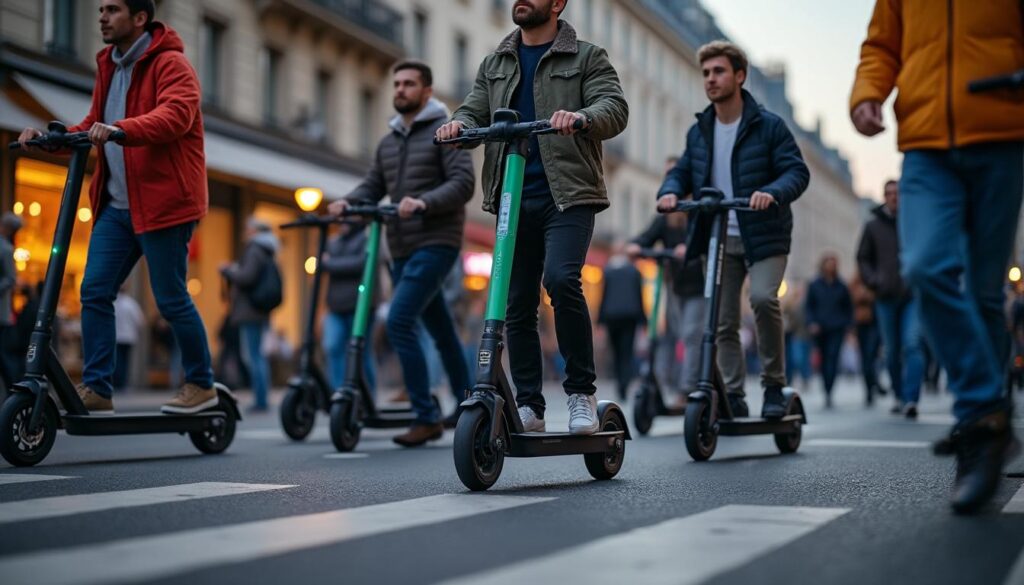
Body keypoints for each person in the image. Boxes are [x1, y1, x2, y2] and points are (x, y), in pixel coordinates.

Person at [851, 0, 1024, 513]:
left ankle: (988, 424)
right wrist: (867, 94)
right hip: (926, 144)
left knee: (986, 294)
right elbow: (882, 44)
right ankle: (981, 417)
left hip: (1001, 132)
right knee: (924, 265)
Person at [436, 0, 628, 434]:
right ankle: (529, 404)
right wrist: (457, 126)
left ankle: (580, 391)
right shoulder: (496, 62)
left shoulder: (586, 56)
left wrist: (581, 117)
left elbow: (613, 108)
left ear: (557, 4)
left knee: (561, 279)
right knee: (515, 301)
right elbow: (473, 109)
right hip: (511, 194)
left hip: (568, 195)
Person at [18, 0, 215, 415]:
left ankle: (202, 384)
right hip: (118, 205)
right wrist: (48, 139)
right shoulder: (109, 63)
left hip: (166, 205)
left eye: (112, 9)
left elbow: (176, 115)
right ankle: (98, 387)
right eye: (101, 9)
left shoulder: (171, 63)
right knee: (94, 291)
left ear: (140, 18)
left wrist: (122, 130)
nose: (101, 16)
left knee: (170, 298)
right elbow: (94, 121)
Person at [657, 40, 809, 419]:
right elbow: (682, 171)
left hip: (765, 234)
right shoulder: (700, 130)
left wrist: (771, 192)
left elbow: (797, 172)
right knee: (721, 320)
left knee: (761, 299)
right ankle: (734, 395)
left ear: (739, 76)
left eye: (719, 71)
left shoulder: (769, 126)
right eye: (706, 73)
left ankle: (774, 386)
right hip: (720, 234)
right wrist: (670, 192)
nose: (711, 79)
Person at [330, 60, 475, 447]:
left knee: (398, 322)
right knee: (442, 331)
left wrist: (423, 202)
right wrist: (349, 202)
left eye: (408, 84)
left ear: (427, 91)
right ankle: (470, 401)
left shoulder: (445, 132)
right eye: (396, 83)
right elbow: (373, 184)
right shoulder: (389, 141)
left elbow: (463, 184)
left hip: (436, 242)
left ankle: (425, 416)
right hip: (400, 248)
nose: (399, 90)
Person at [627, 195, 704, 405]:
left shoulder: (698, 215)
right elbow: (646, 237)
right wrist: (635, 245)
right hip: (675, 286)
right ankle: (658, 382)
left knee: (690, 335)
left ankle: (687, 389)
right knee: (668, 335)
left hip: (700, 286)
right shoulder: (665, 219)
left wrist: (692, 249)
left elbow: (708, 242)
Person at [857, 180, 923, 418]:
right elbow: (862, 258)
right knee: (892, 350)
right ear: (884, 197)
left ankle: (912, 398)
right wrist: (874, 280)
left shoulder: (914, 222)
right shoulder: (873, 226)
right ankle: (898, 394)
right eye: (889, 193)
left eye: (898, 193)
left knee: (912, 344)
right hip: (885, 297)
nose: (894, 197)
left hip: (912, 294)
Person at [221, 218, 280, 412]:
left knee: (254, 356)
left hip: (250, 311)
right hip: (258, 310)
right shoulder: (266, 250)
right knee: (257, 355)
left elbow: (246, 277)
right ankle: (261, 397)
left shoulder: (255, 250)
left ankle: (261, 399)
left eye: (248, 229)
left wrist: (229, 270)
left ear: (255, 231)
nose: (245, 232)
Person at [321, 222, 380, 392]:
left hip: (361, 307)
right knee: (333, 347)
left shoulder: (367, 238)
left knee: (361, 354)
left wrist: (330, 263)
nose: (342, 222)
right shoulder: (333, 241)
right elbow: (320, 262)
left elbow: (361, 263)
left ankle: (369, 397)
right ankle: (340, 393)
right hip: (335, 306)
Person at [597, 242, 645, 400]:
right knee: (626, 351)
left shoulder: (608, 271)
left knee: (616, 352)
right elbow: (639, 297)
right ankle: (624, 383)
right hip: (630, 316)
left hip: (612, 316)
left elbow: (603, 296)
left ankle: (620, 384)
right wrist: (642, 319)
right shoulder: (634, 271)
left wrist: (600, 319)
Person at [805, 254, 853, 409]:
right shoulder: (815, 285)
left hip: (837, 328)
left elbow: (848, 308)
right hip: (820, 328)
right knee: (824, 359)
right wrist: (812, 323)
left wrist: (848, 325)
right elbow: (809, 307)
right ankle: (826, 387)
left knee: (833, 357)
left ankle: (829, 389)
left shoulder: (842, 286)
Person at [848, 272, 884, 407]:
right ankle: (870, 387)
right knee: (866, 357)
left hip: (877, 322)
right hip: (862, 324)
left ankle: (875, 382)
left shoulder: (881, 278)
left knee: (873, 355)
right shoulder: (856, 282)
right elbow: (853, 299)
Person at [0, 213, 22, 389]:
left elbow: (11, 278)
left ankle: (13, 387)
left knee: (2, 354)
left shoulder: (6, 249)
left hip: (1, 312)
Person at [112, 285, 144, 391]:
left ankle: (117, 383)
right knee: (125, 361)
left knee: (117, 361)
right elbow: (140, 321)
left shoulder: (113, 303)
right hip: (129, 337)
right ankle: (123, 383)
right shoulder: (131, 304)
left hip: (116, 337)